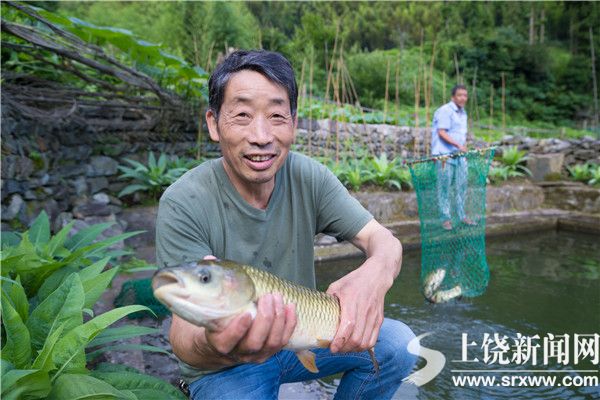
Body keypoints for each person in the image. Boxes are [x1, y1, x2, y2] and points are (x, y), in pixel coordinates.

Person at [155, 50, 416, 400]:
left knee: (398, 345)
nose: (261, 135)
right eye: (243, 115)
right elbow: (185, 340)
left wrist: (376, 273)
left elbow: (383, 241)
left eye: (277, 115)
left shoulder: (310, 177)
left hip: (303, 335)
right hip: (226, 365)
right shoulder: (183, 201)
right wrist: (220, 345)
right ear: (214, 124)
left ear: (293, 123)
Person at [431, 84, 476, 230]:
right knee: (444, 187)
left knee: (461, 186)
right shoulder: (445, 110)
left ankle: (461, 216)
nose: (463, 98)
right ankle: (446, 219)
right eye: (459, 95)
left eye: (465, 95)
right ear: (453, 97)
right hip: (444, 156)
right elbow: (441, 132)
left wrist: (461, 148)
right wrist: (458, 145)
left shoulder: (463, 113)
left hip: (459, 156)